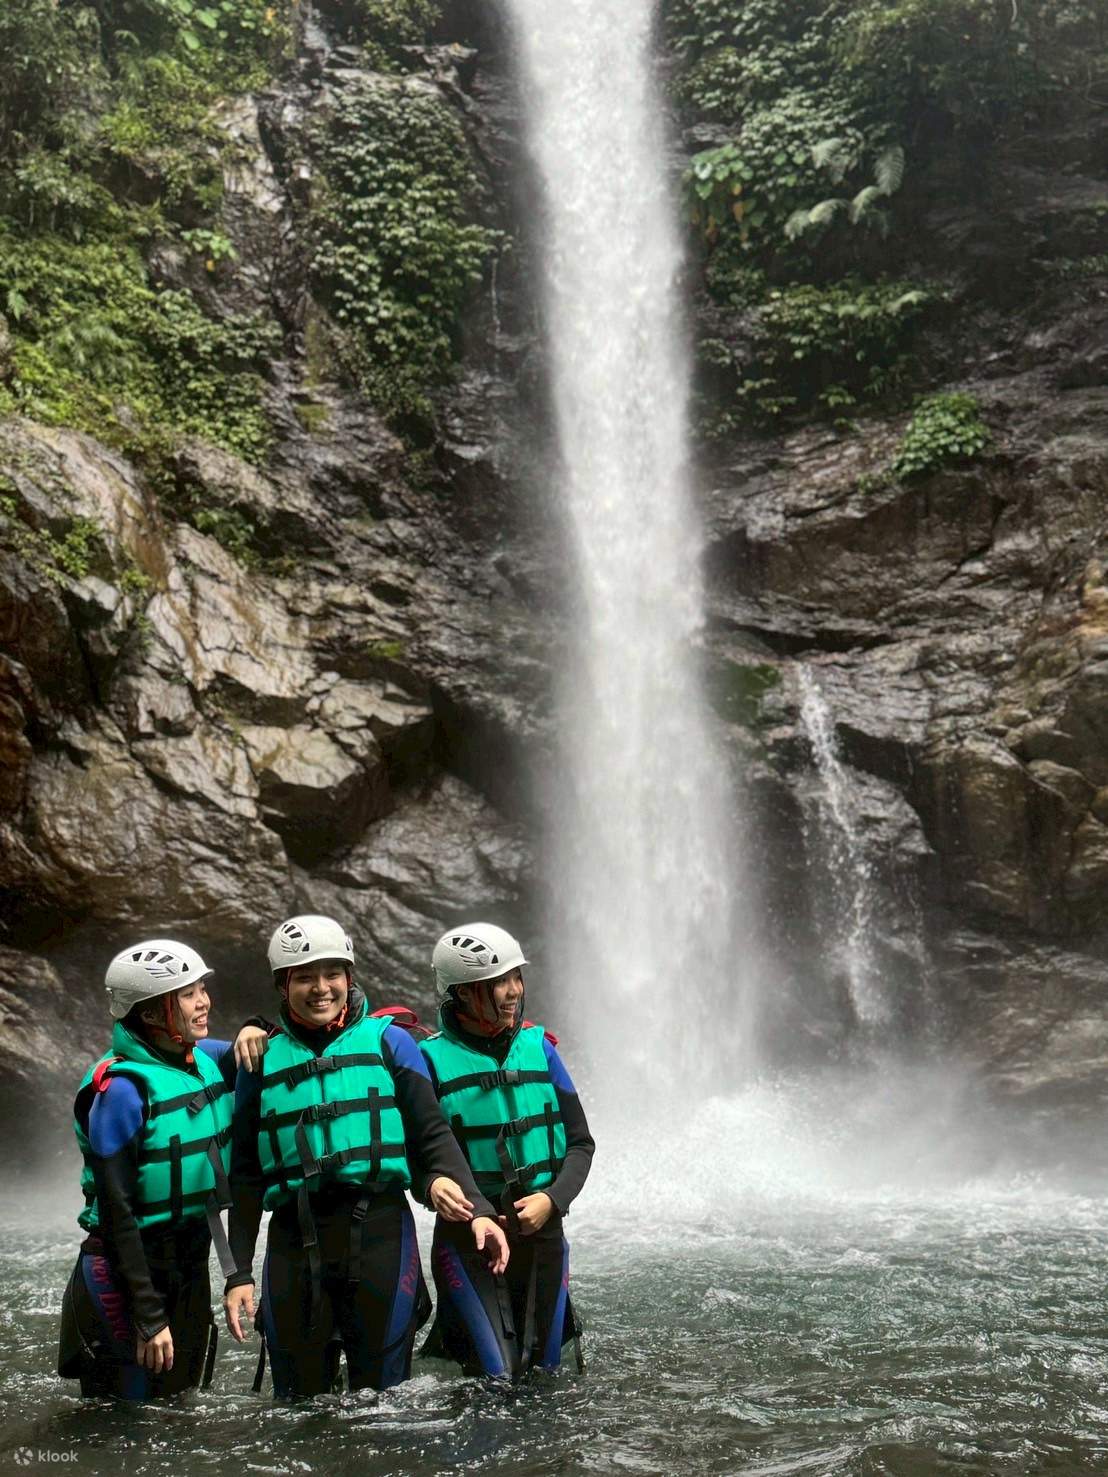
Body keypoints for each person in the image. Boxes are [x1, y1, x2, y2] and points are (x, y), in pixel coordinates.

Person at [223, 913, 510, 1400]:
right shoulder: (260, 1059)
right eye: (305, 977)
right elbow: (246, 1174)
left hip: (380, 1234)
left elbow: (433, 1134)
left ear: (349, 978)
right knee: (298, 1407)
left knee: (383, 1403)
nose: (321, 988)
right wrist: (238, 1273)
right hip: (295, 1241)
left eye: (332, 974)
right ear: (282, 984)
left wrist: (479, 1210)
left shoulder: (390, 1042)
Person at [58, 939, 268, 1400]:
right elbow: (117, 1212)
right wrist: (148, 1315)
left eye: (202, 989)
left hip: (188, 1263)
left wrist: (256, 1026)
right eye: (190, 993)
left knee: (180, 1411)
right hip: (125, 1271)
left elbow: (252, 1048)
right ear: (153, 1014)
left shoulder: (204, 1059)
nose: (205, 1001)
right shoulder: (121, 1092)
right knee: (122, 1424)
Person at [418, 923, 594, 1381]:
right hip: (467, 1242)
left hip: (543, 1234)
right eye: (499, 982)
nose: (513, 991)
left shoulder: (541, 1049)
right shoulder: (428, 1060)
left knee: (545, 1379)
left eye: (516, 977)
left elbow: (580, 1143)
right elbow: (419, 1154)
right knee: (491, 1380)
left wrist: (552, 1200)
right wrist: (431, 1186)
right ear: (461, 993)